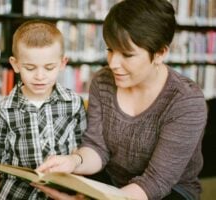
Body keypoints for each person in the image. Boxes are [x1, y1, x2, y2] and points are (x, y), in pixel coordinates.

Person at [35, 0, 208, 200]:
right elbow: (97, 148)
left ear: (160, 53)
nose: (113, 63)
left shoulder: (186, 101)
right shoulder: (102, 81)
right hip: (112, 180)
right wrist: (74, 161)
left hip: (170, 191)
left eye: (127, 54)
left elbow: (156, 181)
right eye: (110, 50)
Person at [0, 20, 87, 200]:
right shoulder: (5, 110)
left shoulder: (74, 103)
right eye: (30, 68)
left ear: (63, 63)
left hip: (61, 194)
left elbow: (81, 151)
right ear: (15, 65)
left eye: (49, 67)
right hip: (16, 194)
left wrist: (81, 195)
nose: (40, 76)